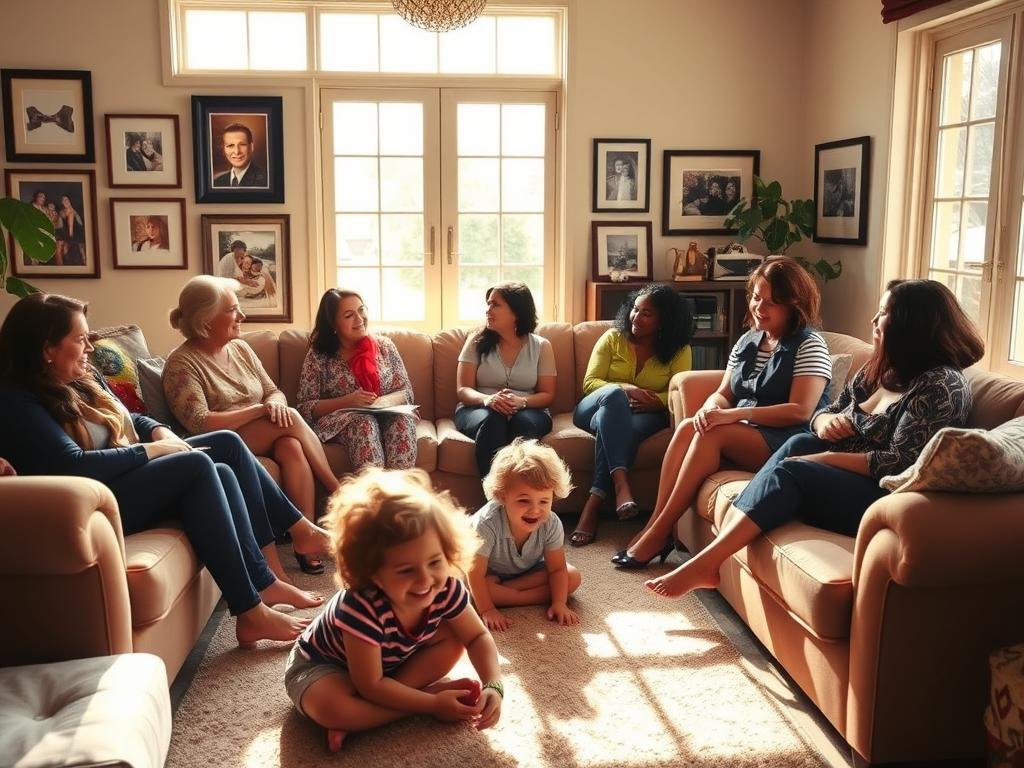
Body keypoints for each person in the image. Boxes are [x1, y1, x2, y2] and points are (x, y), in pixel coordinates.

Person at [0, 293, 329, 647]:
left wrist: (159, 430)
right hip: (94, 501)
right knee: (199, 465)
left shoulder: (82, 377)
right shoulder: (18, 400)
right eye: (80, 340)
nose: (89, 349)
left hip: (121, 476)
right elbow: (73, 464)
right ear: (47, 349)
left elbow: (132, 418)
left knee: (226, 448)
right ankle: (250, 612)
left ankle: (273, 569)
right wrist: (154, 450)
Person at [644, 279, 985, 598]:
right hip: (842, 466)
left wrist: (823, 459)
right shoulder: (884, 369)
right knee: (798, 445)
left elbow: (898, 464)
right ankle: (712, 533)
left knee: (795, 468)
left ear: (912, 325)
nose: (874, 319)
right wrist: (825, 423)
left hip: (878, 495)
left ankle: (707, 563)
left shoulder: (941, 386)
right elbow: (827, 411)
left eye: (884, 313)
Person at [613, 256, 831, 568]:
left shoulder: (810, 345)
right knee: (690, 426)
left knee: (715, 433)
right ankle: (654, 527)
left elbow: (800, 411)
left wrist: (728, 417)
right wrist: (709, 409)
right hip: (747, 433)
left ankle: (657, 534)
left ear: (794, 305)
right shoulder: (748, 340)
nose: (759, 307)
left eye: (772, 302)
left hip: (788, 440)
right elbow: (724, 394)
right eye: (756, 297)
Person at [284, 467, 503, 752]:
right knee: (332, 708)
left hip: (389, 665)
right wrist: (432, 704)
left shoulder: (446, 585)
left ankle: (375, 711)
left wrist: (494, 684)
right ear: (372, 571)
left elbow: (477, 637)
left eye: (435, 562)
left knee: (455, 638)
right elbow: (370, 685)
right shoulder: (360, 605)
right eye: (406, 570)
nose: (425, 580)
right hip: (325, 665)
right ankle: (406, 702)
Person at [164, 276, 341, 576]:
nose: (242, 316)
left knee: (291, 445)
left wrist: (274, 404)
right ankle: (338, 492)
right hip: (218, 439)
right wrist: (259, 410)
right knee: (294, 421)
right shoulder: (182, 364)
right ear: (206, 321)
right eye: (233, 310)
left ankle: (304, 537)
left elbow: (273, 390)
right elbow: (199, 422)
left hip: (259, 431)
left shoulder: (241, 349)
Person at [569, 284, 695, 547]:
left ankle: (592, 505)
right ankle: (620, 484)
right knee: (613, 398)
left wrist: (656, 402)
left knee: (618, 431)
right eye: (635, 310)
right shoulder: (612, 338)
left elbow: (677, 391)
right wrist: (627, 389)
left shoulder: (679, 350)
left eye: (647, 314)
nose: (636, 317)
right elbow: (590, 382)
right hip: (592, 406)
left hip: (643, 415)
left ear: (664, 320)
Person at [466, 438, 581, 631]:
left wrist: (560, 603)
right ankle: (500, 595)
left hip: (521, 574)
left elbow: (556, 569)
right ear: (503, 496)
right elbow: (474, 574)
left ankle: (509, 594)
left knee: (573, 576)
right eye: (524, 501)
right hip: (485, 573)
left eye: (544, 501)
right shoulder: (486, 524)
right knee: (465, 588)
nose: (535, 510)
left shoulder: (551, 523)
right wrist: (487, 610)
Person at [297, 289, 417, 471]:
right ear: (333, 324)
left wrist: (383, 402)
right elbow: (305, 406)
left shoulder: (384, 346)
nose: (360, 319)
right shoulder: (318, 356)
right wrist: (349, 401)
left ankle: (398, 494)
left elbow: (406, 391)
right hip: (344, 420)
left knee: (402, 421)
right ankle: (373, 493)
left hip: (385, 413)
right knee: (364, 423)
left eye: (362, 310)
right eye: (349, 315)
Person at [455, 282, 556, 477]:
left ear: (516, 312)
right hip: (479, 408)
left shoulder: (542, 346)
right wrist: (487, 400)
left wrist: (522, 402)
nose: (488, 310)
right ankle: (493, 500)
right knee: (494, 420)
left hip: (528, 410)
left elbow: (548, 394)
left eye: (495, 305)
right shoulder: (475, 341)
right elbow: (463, 390)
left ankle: (521, 495)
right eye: (488, 304)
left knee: (523, 423)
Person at [212, 123, 267, 187]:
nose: (237, 151)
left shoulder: (265, 181)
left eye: (242, 145)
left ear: (251, 147)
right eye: (230, 145)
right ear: (223, 149)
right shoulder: (217, 182)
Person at [59, 194, 85, 266]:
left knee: (79, 250)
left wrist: (68, 240)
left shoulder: (72, 211)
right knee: (64, 250)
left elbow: (71, 228)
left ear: (70, 201)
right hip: (67, 233)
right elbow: (60, 226)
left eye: (67, 200)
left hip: (76, 233)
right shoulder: (61, 212)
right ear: (61, 202)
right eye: (63, 200)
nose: (65, 201)